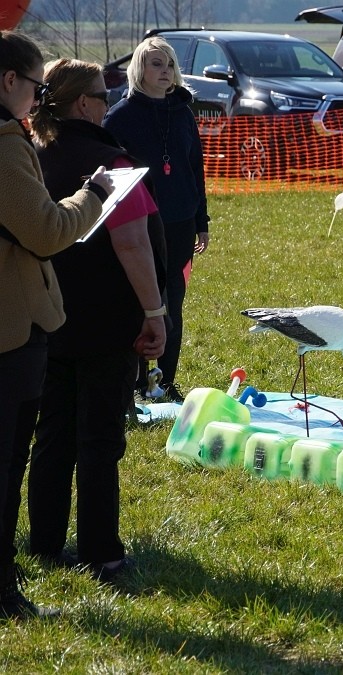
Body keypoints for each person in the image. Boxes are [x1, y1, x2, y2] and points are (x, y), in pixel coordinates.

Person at [27, 58, 168, 584]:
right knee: (100, 439)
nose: (109, 107)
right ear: (84, 104)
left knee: (52, 433)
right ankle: (102, 553)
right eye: (103, 98)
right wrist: (156, 313)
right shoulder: (114, 165)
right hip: (108, 323)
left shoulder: (28, 156)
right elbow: (132, 243)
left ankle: (43, 543)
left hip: (43, 317)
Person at [0, 30, 113, 620]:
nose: (37, 99)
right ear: (8, 82)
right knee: (7, 458)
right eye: (35, 86)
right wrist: (92, 194)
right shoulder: (3, 144)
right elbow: (45, 230)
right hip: (11, 329)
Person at [104, 36, 209, 403]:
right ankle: (133, 383)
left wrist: (202, 220)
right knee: (138, 301)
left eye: (169, 65)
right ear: (139, 69)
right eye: (156, 64)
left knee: (172, 302)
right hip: (139, 223)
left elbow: (193, 167)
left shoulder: (183, 111)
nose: (164, 71)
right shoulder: (120, 116)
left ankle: (163, 383)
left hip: (180, 222)